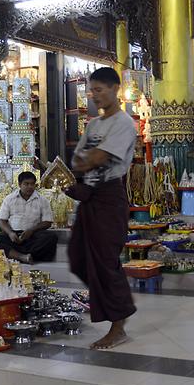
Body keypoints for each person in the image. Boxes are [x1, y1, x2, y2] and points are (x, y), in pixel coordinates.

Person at [68, 67, 137, 350]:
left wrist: (90, 159)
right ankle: (106, 300)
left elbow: (97, 156)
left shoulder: (124, 123)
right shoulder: (95, 125)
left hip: (109, 197)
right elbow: (77, 160)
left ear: (115, 89)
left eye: (99, 89)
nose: (93, 95)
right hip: (90, 199)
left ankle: (118, 326)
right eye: (91, 90)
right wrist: (88, 160)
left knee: (107, 262)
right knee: (78, 257)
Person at [0, 172, 57, 264]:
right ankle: (22, 256)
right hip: (13, 236)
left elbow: (47, 222)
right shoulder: (9, 199)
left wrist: (31, 230)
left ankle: (17, 254)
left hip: (33, 236)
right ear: (19, 184)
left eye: (32, 184)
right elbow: (2, 220)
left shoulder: (42, 200)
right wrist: (10, 233)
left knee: (51, 237)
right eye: (26, 184)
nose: (30, 187)